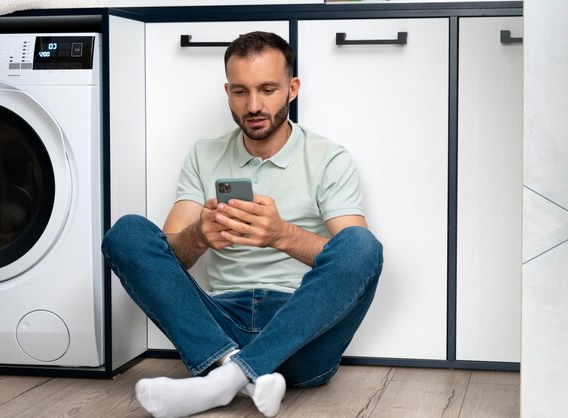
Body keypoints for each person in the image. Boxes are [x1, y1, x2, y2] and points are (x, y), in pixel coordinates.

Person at [101, 31, 383, 418]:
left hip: (302, 334)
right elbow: (168, 259)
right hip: (218, 328)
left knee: (363, 244)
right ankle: (237, 371)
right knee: (127, 232)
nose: (253, 105)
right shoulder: (204, 154)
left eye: (268, 89)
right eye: (240, 92)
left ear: (292, 88)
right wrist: (199, 235)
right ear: (227, 91)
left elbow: (353, 261)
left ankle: (224, 380)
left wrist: (281, 235)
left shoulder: (328, 158)